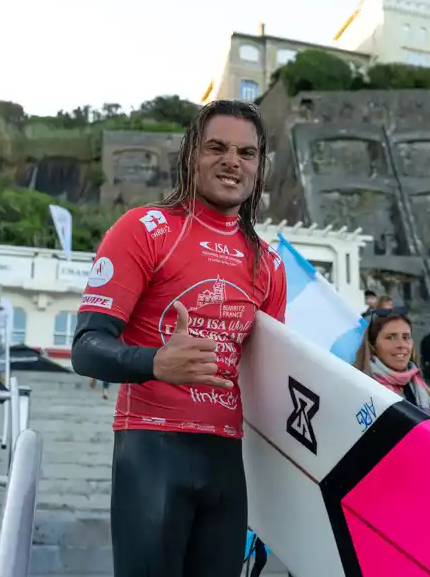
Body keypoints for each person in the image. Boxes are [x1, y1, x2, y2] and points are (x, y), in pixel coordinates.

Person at [70, 100, 287, 577]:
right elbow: (86, 347)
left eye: (246, 153)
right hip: (151, 451)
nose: (232, 160)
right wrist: (156, 363)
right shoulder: (145, 230)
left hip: (227, 463)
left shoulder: (268, 265)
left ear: (258, 167)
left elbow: (269, 382)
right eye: (217, 147)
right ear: (191, 154)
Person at [353, 307, 430, 429]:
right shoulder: (363, 390)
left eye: (406, 337)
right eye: (391, 337)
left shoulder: (418, 387)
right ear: (372, 344)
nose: (401, 345)